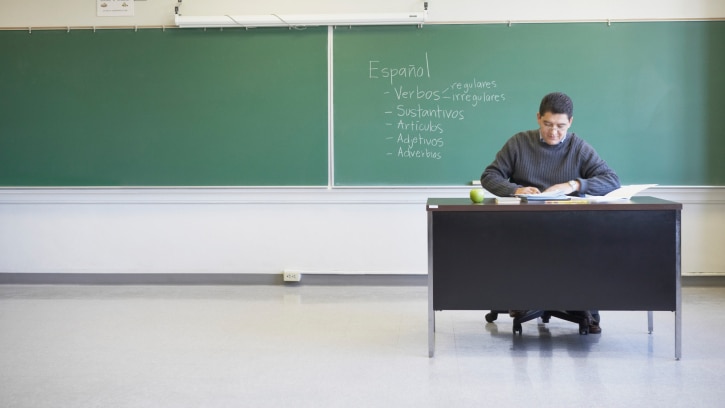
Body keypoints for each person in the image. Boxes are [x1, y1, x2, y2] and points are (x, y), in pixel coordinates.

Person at [479, 92, 621, 334]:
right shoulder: (519, 143)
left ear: (570, 123)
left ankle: (582, 308)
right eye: (548, 124)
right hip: (525, 226)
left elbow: (611, 179)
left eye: (560, 126)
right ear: (538, 118)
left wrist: (573, 185)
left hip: (569, 227)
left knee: (591, 246)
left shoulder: (578, 147)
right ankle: (523, 300)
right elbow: (489, 177)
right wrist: (517, 189)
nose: (554, 132)